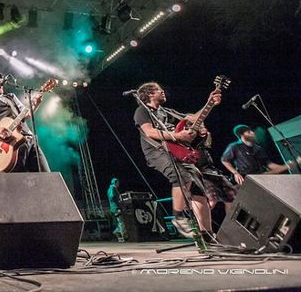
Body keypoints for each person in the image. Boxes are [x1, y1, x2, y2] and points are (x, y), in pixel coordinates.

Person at [133, 82, 220, 239]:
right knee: (182, 176)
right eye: (159, 90)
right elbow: (149, 132)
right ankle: (178, 217)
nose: (163, 91)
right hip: (157, 151)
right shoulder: (142, 111)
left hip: (178, 151)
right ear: (150, 94)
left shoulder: (167, 111)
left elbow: (194, 119)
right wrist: (178, 136)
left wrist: (210, 103)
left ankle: (208, 235)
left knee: (199, 190)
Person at [0, 72, 50, 173]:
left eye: (0, 79)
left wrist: (35, 104)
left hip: (29, 141)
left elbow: (26, 115)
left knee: (47, 177)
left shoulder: (11, 97)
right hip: (10, 148)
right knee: (19, 180)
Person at [221, 125, 291, 185]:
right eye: (249, 132)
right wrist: (235, 173)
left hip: (261, 176)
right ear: (242, 135)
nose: (253, 133)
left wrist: (285, 166)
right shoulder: (234, 147)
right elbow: (224, 160)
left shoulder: (258, 148)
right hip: (247, 178)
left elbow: (269, 164)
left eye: (251, 131)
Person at [107, 178, 126, 242]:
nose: (118, 184)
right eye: (118, 183)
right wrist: (119, 200)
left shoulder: (109, 189)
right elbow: (112, 196)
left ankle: (117, 232)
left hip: (113, 208)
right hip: (116, 208)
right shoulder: (113, 188)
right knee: (121, 222)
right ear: (115, 182)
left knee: (118, 222)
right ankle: (122, 235)